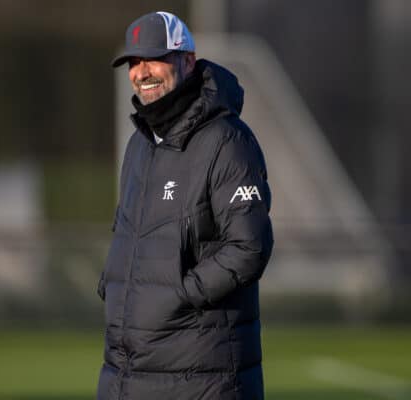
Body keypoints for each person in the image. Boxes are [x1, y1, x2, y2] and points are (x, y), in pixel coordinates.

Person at [97, 11, 273, 400]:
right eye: (133, 62)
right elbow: (131, 234)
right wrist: (113, 282)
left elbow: (248, 248)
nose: (142, 72)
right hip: (126, 375)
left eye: (154, 58)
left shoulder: (228, 141)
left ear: (187, 61)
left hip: (202, 380)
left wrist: (180, 294)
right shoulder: (139, 145)